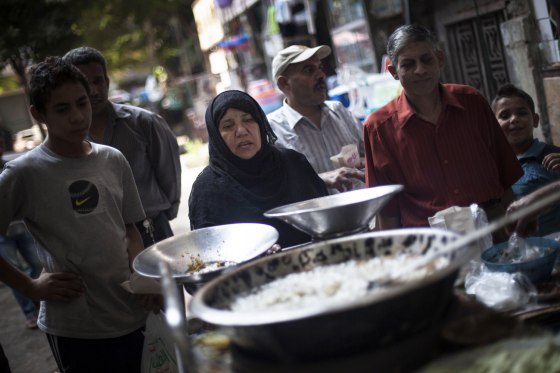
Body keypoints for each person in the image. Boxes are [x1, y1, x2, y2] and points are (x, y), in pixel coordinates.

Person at [0, 56, 159, 372]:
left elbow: (129, 228)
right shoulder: (24, 172)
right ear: (38, 114)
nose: (77, 117)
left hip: (130, 313)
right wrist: (30, 287)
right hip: (75, 327)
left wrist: (140, 275)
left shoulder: (113, 159)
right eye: (62, 109)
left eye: (81, 103)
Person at [363, 24, 523, 243]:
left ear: (440, 59)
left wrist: (518, 235)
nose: (420, 70)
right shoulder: (378, 129)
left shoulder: (472, 101)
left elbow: (505, 176)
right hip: (429, 242)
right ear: (393, 72)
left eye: (426, 59)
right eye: (408, 64)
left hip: (493, 226)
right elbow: (386, 209)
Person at [63, 47, 181, 248]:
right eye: (84, 83)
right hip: (103, 245)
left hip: (153, 231)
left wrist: (158, 216)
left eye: (98, 81)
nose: (93, 90)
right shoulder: (66, 141)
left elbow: (170, 176)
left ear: (107, 82)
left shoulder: (145, 123)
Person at [188, 90, 328, 248]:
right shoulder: (208, 190)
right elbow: (210, 255)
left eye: (248, 120)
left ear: (261, 124)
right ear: (216, 137)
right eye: (228, 126)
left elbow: (325, 220)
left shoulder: (294, 164)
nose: (241, 131)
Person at [267, 45, 365, 193]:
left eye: (319, 67)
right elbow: (274, 187)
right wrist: (319, 180)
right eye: (309, 70)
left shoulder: (339, 111)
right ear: (284, 83)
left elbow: (372, 154)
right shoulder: (273, 130)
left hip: (365, 211)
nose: (321, 75)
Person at [492, 83, 560, 235]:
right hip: (515, 250)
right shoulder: (493, 165)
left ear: (535, 120)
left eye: (521, 113)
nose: (514, 119)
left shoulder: (553, 157)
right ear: (494, 126)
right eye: (504, 116)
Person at [0, 130, 43, 329]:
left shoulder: (14, 164)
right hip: (3, 236)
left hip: (22, 228)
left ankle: (39, 300)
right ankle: (30, 311)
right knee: (13, 272)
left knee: (37, 264)